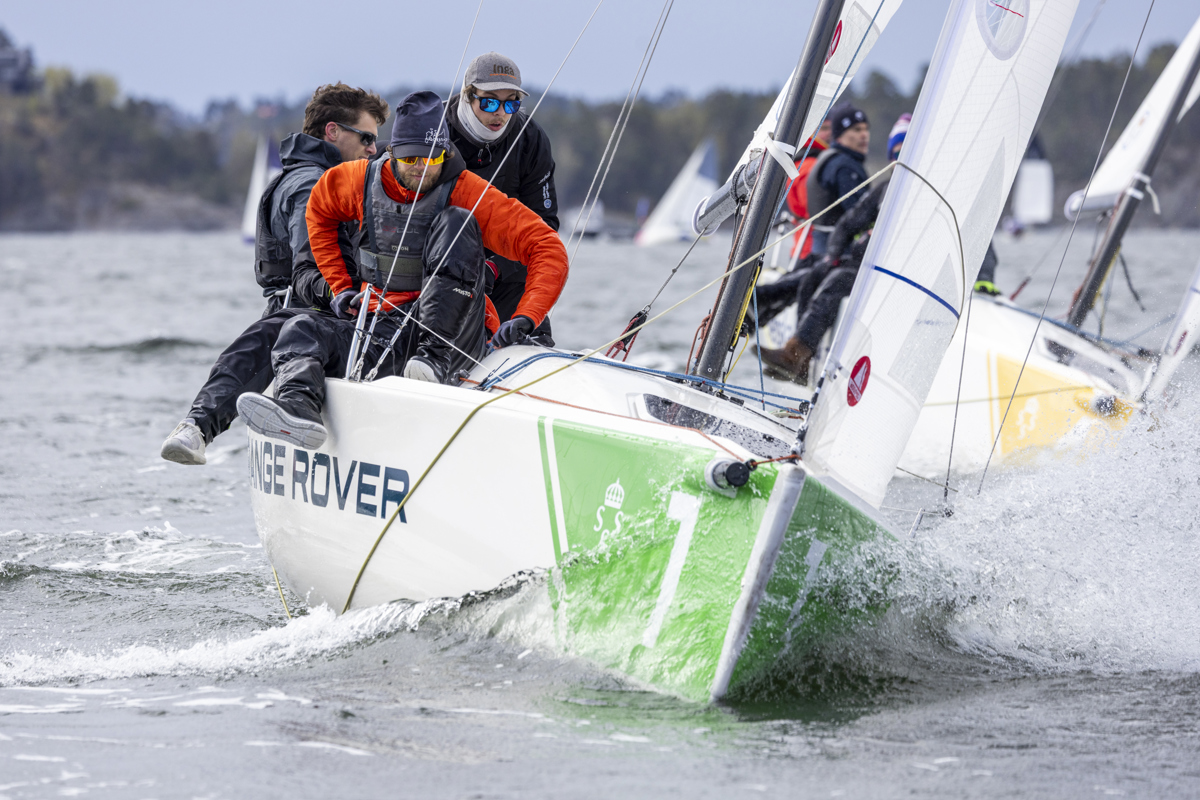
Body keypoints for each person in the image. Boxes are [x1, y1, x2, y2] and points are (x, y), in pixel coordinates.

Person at [235, 91, 569, 449]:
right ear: (391, 153)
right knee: (300, 328)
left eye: (433, 158)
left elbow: (548, 247)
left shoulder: (469, 191)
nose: (421, 168)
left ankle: (432, 361)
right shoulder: (358, 180)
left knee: (456, 222)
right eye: (410, 158)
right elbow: (319, 209)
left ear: (446, 154)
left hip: (454, 338)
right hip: (385, 328)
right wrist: (341, 286)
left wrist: (528, 316)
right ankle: (298, 410)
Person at [160, 84, 388, 465]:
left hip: (292, 321)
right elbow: (313, 265)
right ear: (332, 132)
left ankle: (196, 426)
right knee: (283, 329)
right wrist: (342, 295)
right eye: (366, 138)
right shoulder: (314, 185)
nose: (373, 150)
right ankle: (200, 427)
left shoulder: (297, 177)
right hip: (316, 320)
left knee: (270, 332)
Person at [757, 112, 903, 382]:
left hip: (888, 269)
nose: (863, 135)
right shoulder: (885, 187)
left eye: (906, 150)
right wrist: (834, 256)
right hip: (853, 260)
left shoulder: (913, 191)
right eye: (897, 150)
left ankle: (793, 350)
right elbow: (848, 223)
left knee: (834, 281)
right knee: (814, 276)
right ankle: (799, 360)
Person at [447, 52, 559, 342]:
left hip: (506, 277)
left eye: (511, 103)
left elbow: (545, 225)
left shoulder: (530, 138)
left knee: (534, 343)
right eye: (489, 102)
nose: (500, 113)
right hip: (443, 277)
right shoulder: (437, 131)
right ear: (467, 96)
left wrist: (494, 267)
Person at [805, 104, 870, 255]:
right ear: (840, 135)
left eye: (866, 129)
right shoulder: (845, 167)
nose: (864, 135)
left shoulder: (829, 158)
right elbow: (859, 215)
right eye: (857, 130)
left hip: (820, 250)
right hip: (839, 252)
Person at [782, 118, 831, 261]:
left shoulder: (804, 162)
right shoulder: (810, 166)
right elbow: (814, 211)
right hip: (812, 250)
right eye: (824, 129)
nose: (830, 133)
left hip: (803, 249)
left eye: (831, 128)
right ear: (809, 132)